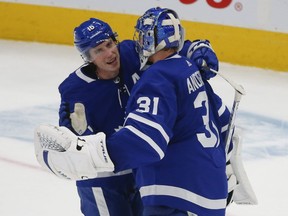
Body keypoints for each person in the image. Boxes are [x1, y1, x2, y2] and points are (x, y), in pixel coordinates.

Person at [34, 7, 234, 216]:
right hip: (104, 178)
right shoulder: (75, 89)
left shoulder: (132, 53)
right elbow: (74, 141)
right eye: (99, 50)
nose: (109, 53)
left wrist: (197, 47)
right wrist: (79, 135)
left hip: (138, 166)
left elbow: (169, 49)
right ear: (88, 57)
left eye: (110, 44)